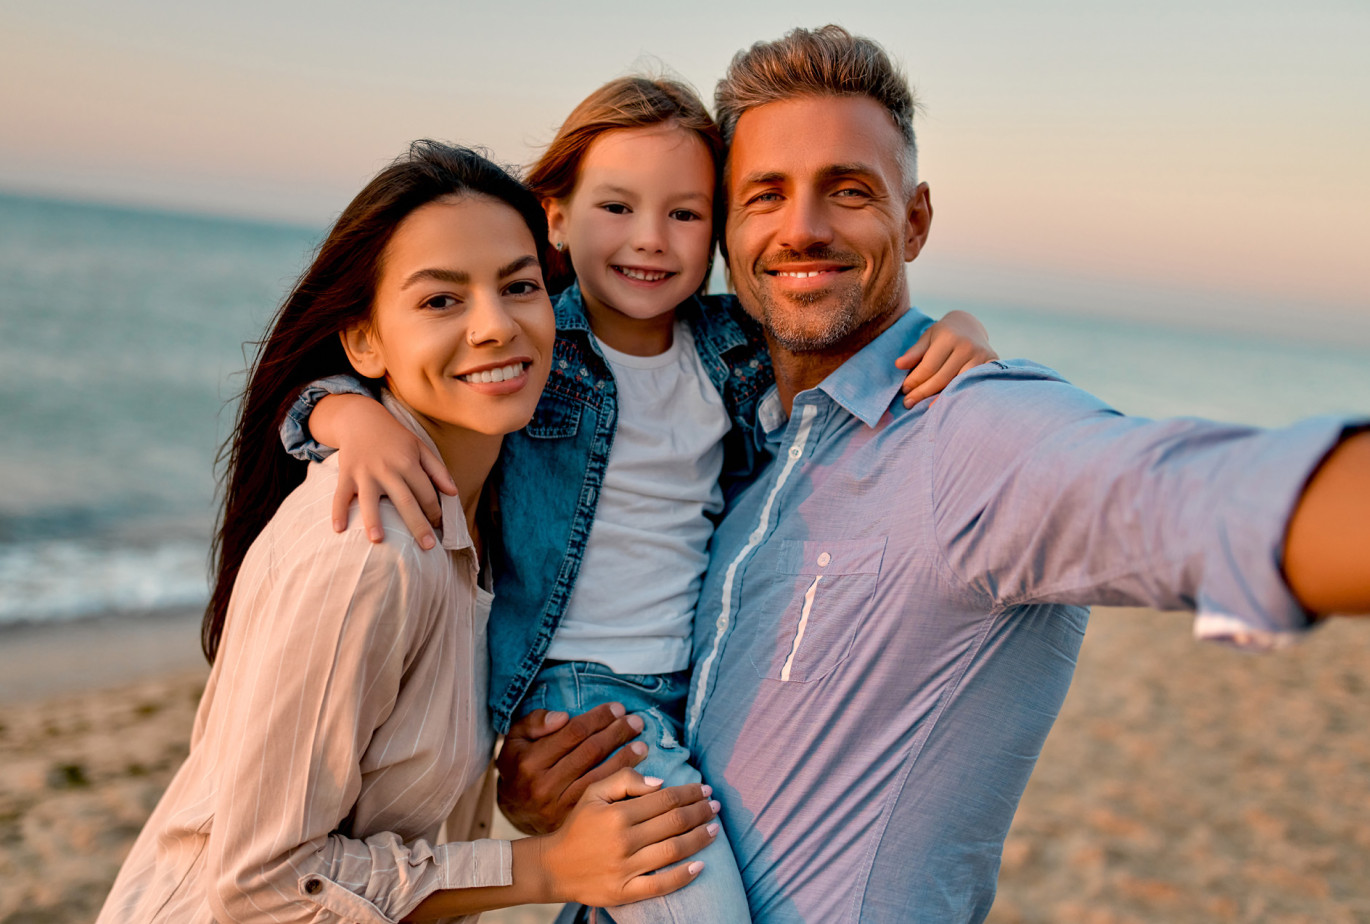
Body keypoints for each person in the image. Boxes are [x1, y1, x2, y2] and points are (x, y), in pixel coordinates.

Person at [493, 26, 1370, 924]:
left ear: (913, 221)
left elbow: (1187, 493)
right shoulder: (742, 447)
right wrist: (544, 787)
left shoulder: (976, 432)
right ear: (728, 229)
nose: (802, 227)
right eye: (766, 194)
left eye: (848, 190)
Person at [282, 78, 997, 922]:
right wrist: (341, 413)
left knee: (625, 892)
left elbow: (851, 337)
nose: (650, 242)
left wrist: (961, 332)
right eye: (616, 208)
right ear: (554, 217)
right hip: (584, 696)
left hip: (699, 682)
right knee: (690, 902)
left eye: (686, 215)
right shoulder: (536, 340)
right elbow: (400, 369)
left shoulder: (733, 348)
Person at [96, 141, 721, 924]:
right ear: (364, 341)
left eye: (519, 286)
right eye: (440, 301)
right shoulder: (369, 551)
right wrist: (547, 868)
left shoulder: (496, 515)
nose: (496, 327)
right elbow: (261, 886)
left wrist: (527, 796)